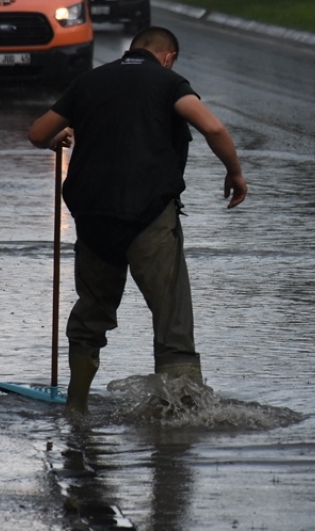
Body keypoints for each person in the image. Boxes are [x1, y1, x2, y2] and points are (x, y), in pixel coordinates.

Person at [28, 27, 248, 415]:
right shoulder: (169, 82)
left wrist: (56, 138)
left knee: (91, 313)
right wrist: (234, 172)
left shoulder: (90, 81)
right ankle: (182, 416)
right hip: (148, 216)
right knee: (171, 318)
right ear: (169, 56)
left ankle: (76, 407)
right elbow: (212, 126)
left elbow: (38, 132)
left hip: (94, 218)